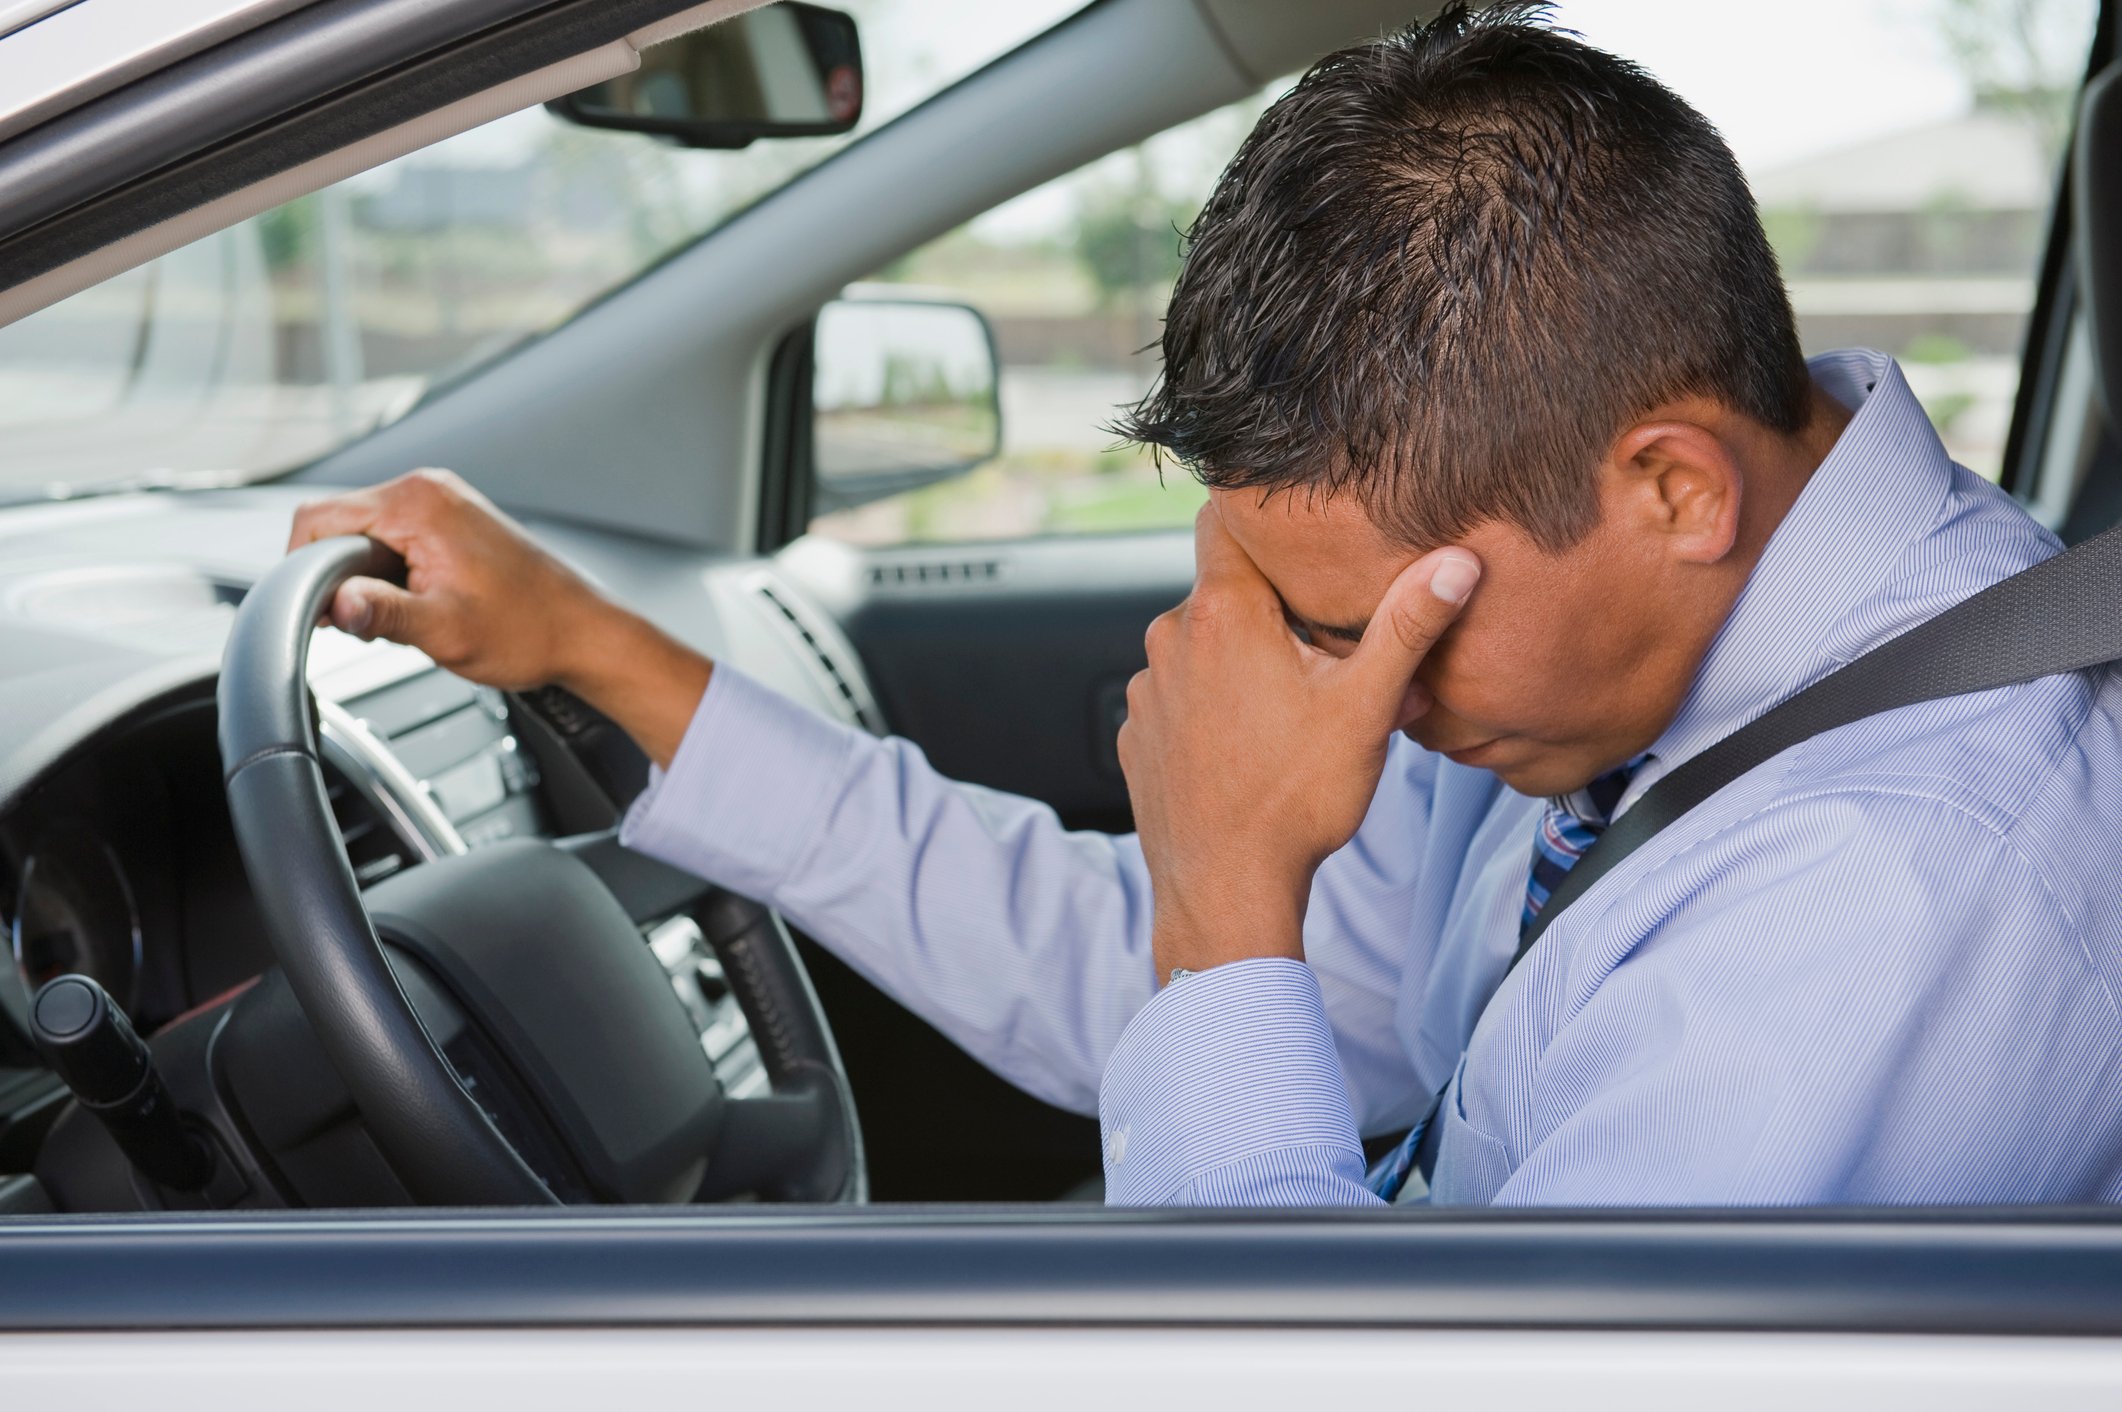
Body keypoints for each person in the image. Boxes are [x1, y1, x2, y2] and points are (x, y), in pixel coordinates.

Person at [288, 5, 2122, 1206]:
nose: (1355, 697)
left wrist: (1227, 910)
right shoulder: (1604, 673)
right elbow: (1263, 1020)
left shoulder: (1895, 892)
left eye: (1362, 625)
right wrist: (609, 658)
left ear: (1669, 488)